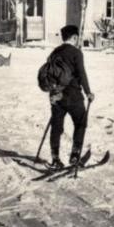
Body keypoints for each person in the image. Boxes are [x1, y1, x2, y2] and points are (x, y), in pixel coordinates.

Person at [43, 24, 94, 169]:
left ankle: (55, 159)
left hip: (56, 95)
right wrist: (88, 92)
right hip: (73, 95)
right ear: (74, 37)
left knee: (56, 127)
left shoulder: (54, 52)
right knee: (80, 123)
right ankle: (74, 156)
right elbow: (81, 74)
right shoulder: (76, 53)